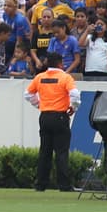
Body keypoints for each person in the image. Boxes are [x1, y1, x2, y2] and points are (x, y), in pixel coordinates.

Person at [25, 51, 81, 192]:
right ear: (60, 63)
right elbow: (74, 94)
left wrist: (38, 104)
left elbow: (28, 94)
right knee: (61, 152)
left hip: (44, 116)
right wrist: (73, 107)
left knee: (45, 151)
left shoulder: (40, 77)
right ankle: (64, 185)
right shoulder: (65, 77)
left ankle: (41, 184)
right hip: (60, 116)